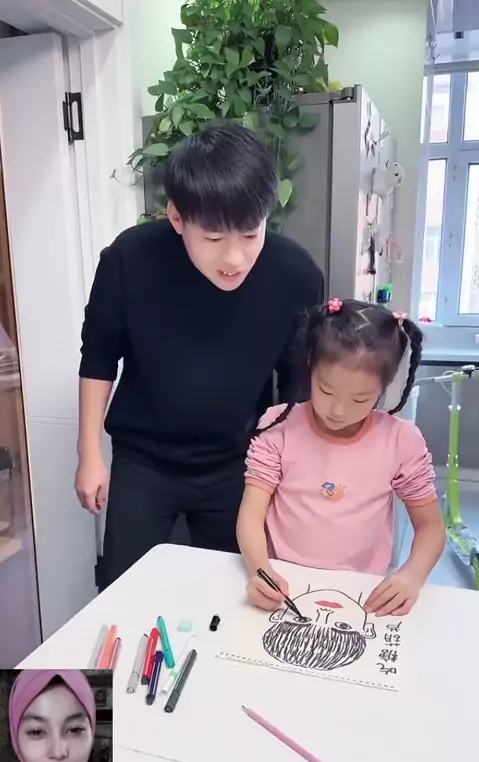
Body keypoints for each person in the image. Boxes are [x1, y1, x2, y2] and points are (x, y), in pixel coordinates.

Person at [76, 120, 323, 591]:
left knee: (234, 591)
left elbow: (297, 384)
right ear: (177, 218)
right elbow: (99, 357)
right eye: (213, 239)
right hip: (143, 462)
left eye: (250, 235)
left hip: (238, 462)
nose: (234, 259)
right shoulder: (130, 260)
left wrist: (291, 473)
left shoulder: (295, 275)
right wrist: (89, 452)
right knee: (124, 589)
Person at [237, 297, 446, 618]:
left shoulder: (401, 441)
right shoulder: (279, 426)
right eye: (326, 391)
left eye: (360, 399)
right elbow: (251, 516)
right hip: (284, 585)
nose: (338, 410)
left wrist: (411, 577)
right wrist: (261, 572)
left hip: (360, 592)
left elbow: (431, 529)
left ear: (384, 386)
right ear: (310, 365)